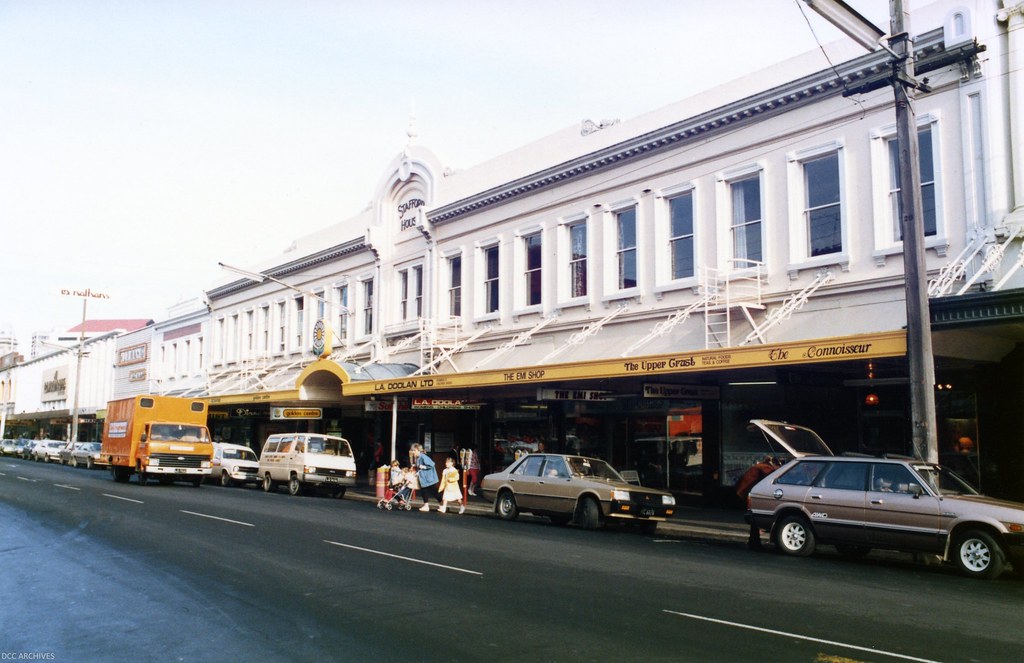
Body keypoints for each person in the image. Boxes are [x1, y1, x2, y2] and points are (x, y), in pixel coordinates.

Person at [735, 456, 781, 551]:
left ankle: (753, 541)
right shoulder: (766, 468)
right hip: (747, 492)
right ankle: (754, 542)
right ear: (776, 464)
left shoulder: (763, 466)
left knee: (754, 518)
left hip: (746, 491)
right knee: (754, 517)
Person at [411, 443, 440, 512]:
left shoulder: (423, 457)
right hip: (423, 478)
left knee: (434, 492)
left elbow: (432, 464)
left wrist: (423, 467)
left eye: (414, 450)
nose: (413, 452)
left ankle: (442, 504)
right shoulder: (417, 458)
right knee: (424, 491)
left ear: (418, 450)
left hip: (429, 478)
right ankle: (426, 505)